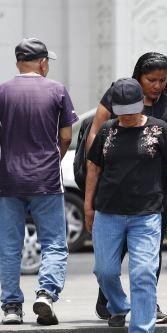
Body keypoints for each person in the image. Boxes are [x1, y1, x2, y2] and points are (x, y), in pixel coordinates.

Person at [86, 52, 167, 323]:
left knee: (146, 262)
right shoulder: (115, 103)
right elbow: (95, 139)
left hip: (153, 191)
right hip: (113, 193)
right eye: (151, 79)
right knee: (107, 264)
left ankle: (146, 309)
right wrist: (94, 183)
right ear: (138, 79)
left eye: (162, 80)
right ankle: (114, 302)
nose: (158, 85)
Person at [0, 38, 78, 325]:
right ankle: (46, 293)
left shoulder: (3, 91)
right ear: (43, 62)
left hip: (8, 178)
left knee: (9, 245)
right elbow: (67, 136)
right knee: (54, 242)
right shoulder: (57, 90)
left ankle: (10, 307)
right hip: (45, 179)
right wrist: (51, 159)